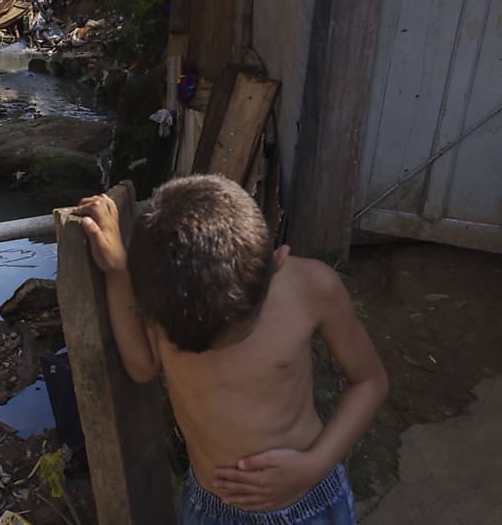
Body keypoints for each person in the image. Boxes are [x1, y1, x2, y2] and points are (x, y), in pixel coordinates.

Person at [74, 175, 388, 524]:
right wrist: (119, 272)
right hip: (208, 510)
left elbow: (370, 381)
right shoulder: (170, 296)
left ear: (276, 262)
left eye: (234, 331)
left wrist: (314, 466)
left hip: (309, 502)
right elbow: (144, 367)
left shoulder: (311, 288)